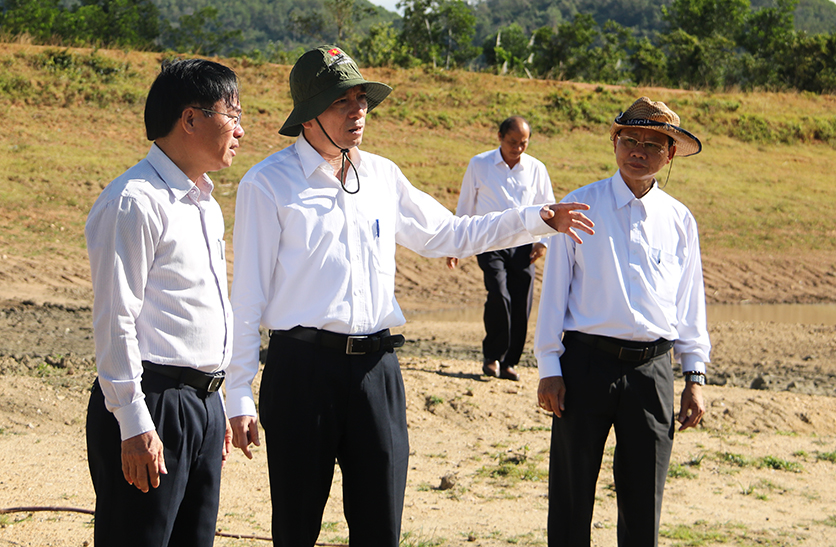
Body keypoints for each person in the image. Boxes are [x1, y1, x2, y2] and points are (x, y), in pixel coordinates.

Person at [225, 46, 594, 547]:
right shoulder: (267, 185)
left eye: (362, 100)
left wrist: (535, 219)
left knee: (382, 528)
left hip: (378, 371)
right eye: (342, 101)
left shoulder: (381, 175)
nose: (358, 112)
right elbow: (245, 297)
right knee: (296, 527)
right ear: (309, 114)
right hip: (301, 373)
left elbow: (449, 233)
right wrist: (239, 393)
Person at [534, 96, 711, 547]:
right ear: (614, 142)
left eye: (653, 144)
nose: (639, 151)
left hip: (651, 371)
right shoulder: (579, 207)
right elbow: (553, 296)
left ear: (669, 155)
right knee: (572, 494)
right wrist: (549, 369)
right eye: (630, 139)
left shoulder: (679, 220)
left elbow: (690, 304)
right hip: (584, 366)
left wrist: (695, 376)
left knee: (643, 499)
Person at [85, 59, 244, 547]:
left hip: (199, 403)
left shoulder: (206, 205)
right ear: (190, 119)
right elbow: (117, 319)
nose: (240, 128)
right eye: (231, 113)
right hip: (152, 399)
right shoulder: (135, 200)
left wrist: (211, 405)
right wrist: (133, 423)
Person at [445, 116, 555, 381]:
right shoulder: (479, 164)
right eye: (512, 142)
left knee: (521, 303)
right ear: (499, 137)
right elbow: (466, 204)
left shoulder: (536, 168)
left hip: (523, 244)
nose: (517, 147)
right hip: (488, 242)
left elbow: (547, 205)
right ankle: (492, 355)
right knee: (499, 295)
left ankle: (508, 362)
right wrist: (456, 243)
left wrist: (543, 241)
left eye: (523, 143)